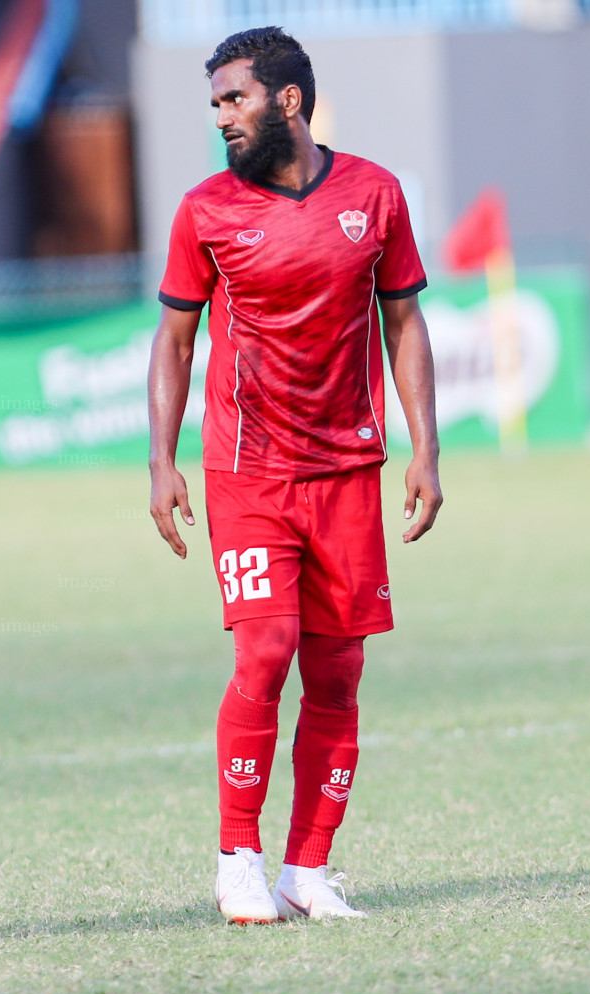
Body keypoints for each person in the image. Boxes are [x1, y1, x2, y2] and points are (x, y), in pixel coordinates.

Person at [146, 28, 443, 923]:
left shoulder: (373, 194)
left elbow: (403, 324)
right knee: (266, 649)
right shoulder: (205, 210)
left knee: (338, 671)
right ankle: (238, 855)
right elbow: (173, 339)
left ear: (286, 99)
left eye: (232, 100)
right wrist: (160, 460)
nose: (220, 119)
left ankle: (306, 870)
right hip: (247, 470)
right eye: (214, 105)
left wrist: (425, 448)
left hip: (348, 467)